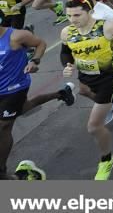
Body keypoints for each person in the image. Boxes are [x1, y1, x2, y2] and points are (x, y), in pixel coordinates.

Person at [60, 0, 113, 179]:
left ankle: (107, 160)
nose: (73, 19)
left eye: (77, 15)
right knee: (82, 91)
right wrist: (68, 65)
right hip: (86, 77)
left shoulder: (108, 26)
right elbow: (66, 52)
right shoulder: (67, 32)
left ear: (90, 12)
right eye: (69, 15)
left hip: (109, 78)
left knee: (93, 126)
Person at [0, 24, 75, 178]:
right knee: (26, 107)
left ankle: (2, 170)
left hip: (14, 88)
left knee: (4, 126)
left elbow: (40, 44)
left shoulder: (16, 36)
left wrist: (34, 61)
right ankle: (61, 94)